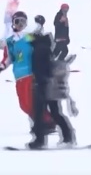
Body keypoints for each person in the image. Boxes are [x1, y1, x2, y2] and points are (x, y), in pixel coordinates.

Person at [0, 11, 55, 133]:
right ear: (13, 23)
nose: (20, 24)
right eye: (18, 21)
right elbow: (9, 57)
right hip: (18, 75)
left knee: (32, 102)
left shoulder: (28, 36)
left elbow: (43, 42)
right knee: (24, 105)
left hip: (30, 74)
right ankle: (40, 123)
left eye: (23, 21)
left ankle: (47, 122)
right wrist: (2, 66)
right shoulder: (10, 41)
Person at [28, 15, 76, 149]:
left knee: (38, 113)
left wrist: (40, 81)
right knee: (54, 112)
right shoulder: (42, 46)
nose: (27, 38)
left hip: (43, 84)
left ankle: (39, 141)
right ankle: (68, 137)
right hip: (47, 84)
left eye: (30, 36)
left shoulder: (40, 49)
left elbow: (42, 67)